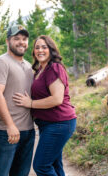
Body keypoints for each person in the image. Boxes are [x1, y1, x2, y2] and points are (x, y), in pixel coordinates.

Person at [12, 35, 77, 176]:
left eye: (44, 47)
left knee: (41, 166)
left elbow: (57, 99)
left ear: (51, 49)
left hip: (59, 124)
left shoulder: (54, 68)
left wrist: (30, 103)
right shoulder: (40, 70)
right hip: (48, 124)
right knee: (54, 164)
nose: (40, 50)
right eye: (37, 47)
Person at [0, 25, 35, 176]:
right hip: (5, 132)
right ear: (8, 41)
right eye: (16, 39)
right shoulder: (1, 62)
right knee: (1, 173)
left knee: (21, 173)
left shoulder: (28, 66)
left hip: (28, 131)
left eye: (24, 39)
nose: (21, 42)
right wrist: (10, 125)